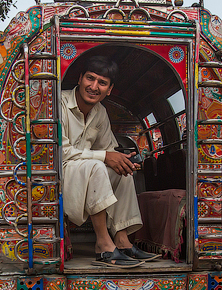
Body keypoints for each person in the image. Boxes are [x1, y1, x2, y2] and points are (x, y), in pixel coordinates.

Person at [61, 55, 159, 266]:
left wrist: (122, 159)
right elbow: (60, 152)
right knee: (97, 165)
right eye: (90, 78)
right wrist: (105, 156)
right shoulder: (59, 102)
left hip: (85, 174)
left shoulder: (100, 112)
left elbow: (108, 150)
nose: (94, 86)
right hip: (59, 174)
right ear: (80, 79)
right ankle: (103, 244)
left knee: (122, 171)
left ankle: (122, 240)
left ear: (109, 89)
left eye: (102, 83)